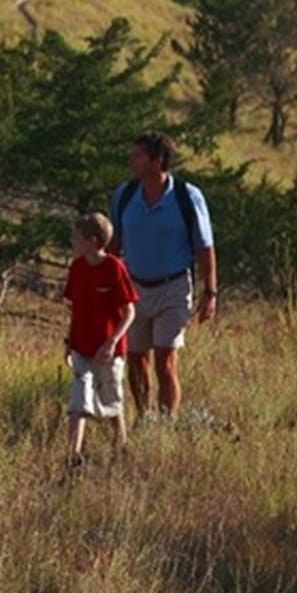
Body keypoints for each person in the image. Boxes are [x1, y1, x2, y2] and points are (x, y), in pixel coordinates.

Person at [108, 131, 218, 420]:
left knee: (164, 361)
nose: (131, 160)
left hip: (173, 287)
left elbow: (204, 248)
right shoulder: (125, 195)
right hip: (133, 288)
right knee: (135, 359)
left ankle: (167, 425)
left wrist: (210, 293)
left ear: (157, 162)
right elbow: (114, 243)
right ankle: (145, 418)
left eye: (138, 155)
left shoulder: (187, 197)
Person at [64, 211, 138, 468]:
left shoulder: (114, 268)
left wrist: (112, 341)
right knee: (78, 402)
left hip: (109, 351)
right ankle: (72, 457)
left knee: (112, 401)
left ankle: (121, 449)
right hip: (82, 348)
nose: (73, 242)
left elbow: (130, 312)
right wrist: (68, 343)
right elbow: (74, 309)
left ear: (93, 241)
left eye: (77, 238)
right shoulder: (77, 268)